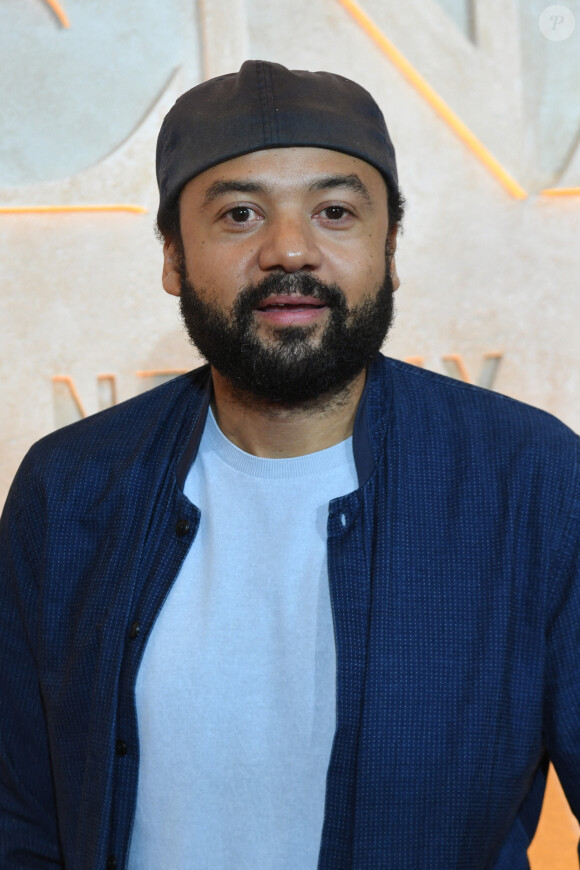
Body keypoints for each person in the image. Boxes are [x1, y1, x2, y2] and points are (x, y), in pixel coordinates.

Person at [0, 59, 578, 870]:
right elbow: (21, 816)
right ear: (172, 256)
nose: (290, 250)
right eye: (240, 214)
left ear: (391, 247)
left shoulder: (533, 481)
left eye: (335, 211)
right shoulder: (69, 488)